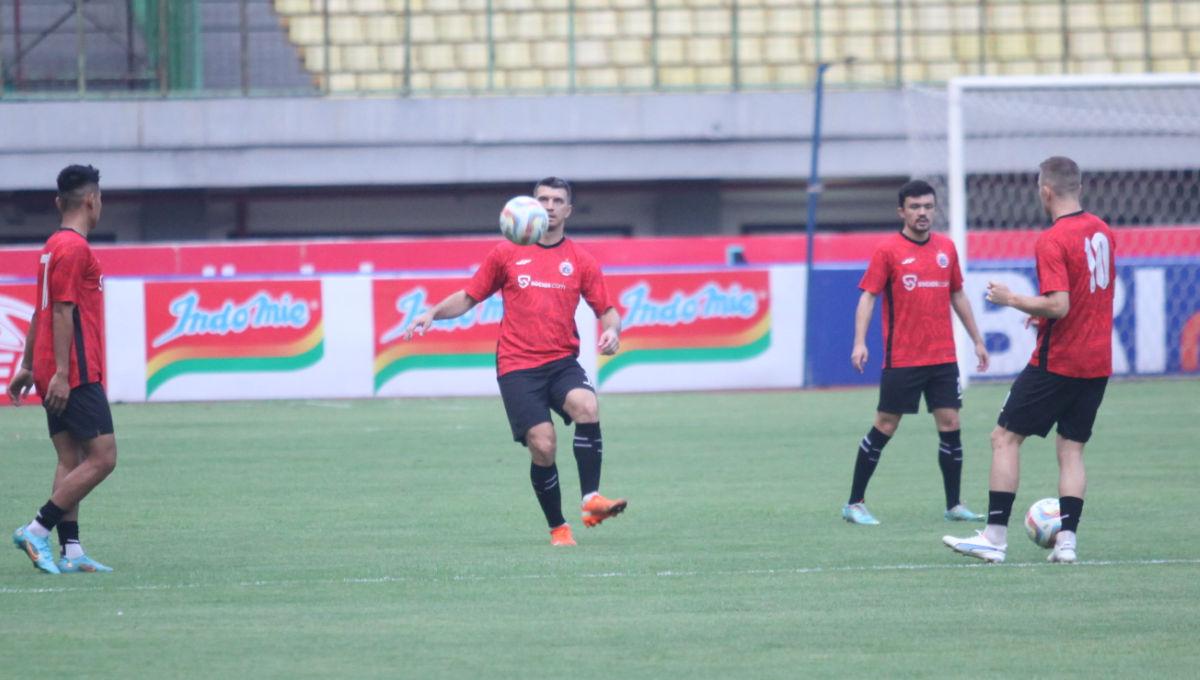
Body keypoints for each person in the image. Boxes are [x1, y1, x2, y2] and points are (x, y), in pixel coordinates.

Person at [405, 177, 627, 546]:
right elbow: (469, 296)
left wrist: (613, 331)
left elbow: (607, 309)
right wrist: (432, 313)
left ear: (568, 210)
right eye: (543, 199)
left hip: (561, 361)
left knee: (588, 405)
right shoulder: (506, 253)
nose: (551, 206)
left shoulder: (580, 260)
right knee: (544, 445)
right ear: (532, 205)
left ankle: (591, 501)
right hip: (517, 366)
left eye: (558, 200)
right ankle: (558, 527)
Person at [944, 156, 1114, 564]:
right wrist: (1039, 313)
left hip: (1059, 361)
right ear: (1080, 188)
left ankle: (995, 538)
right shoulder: (1103, 231)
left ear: (1046, 191)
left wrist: (1013, 300)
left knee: (1004, 438)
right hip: (1097, 362)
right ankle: (1067, 544)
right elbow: (1085, 295)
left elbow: (1060, 304)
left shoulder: (1052, 239)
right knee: (1071, 450)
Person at [842, 179, 990, 525]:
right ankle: (854, 503)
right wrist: (859, 341)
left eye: (927, 206)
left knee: (951, 423)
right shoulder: (888, 251)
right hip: (903, 358)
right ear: (901, 211)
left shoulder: (946, 249)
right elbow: (868, 296)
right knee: (886, 425)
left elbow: (957, 295)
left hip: (942, 358)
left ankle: (954, 505)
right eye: (915, 207)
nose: (922, 213)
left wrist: (977, 340)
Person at [8, 164, 117, 574]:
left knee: (70, 457)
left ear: (59, 203)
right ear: (92, 201)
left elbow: (42, 310)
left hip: (53, 367)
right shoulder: (75, 249)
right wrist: (59, 375)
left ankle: (70, 550)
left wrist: (28, 364)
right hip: (74, 371)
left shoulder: (52, 246)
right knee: (103, 457)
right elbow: (62, 311)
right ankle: (37, 530)